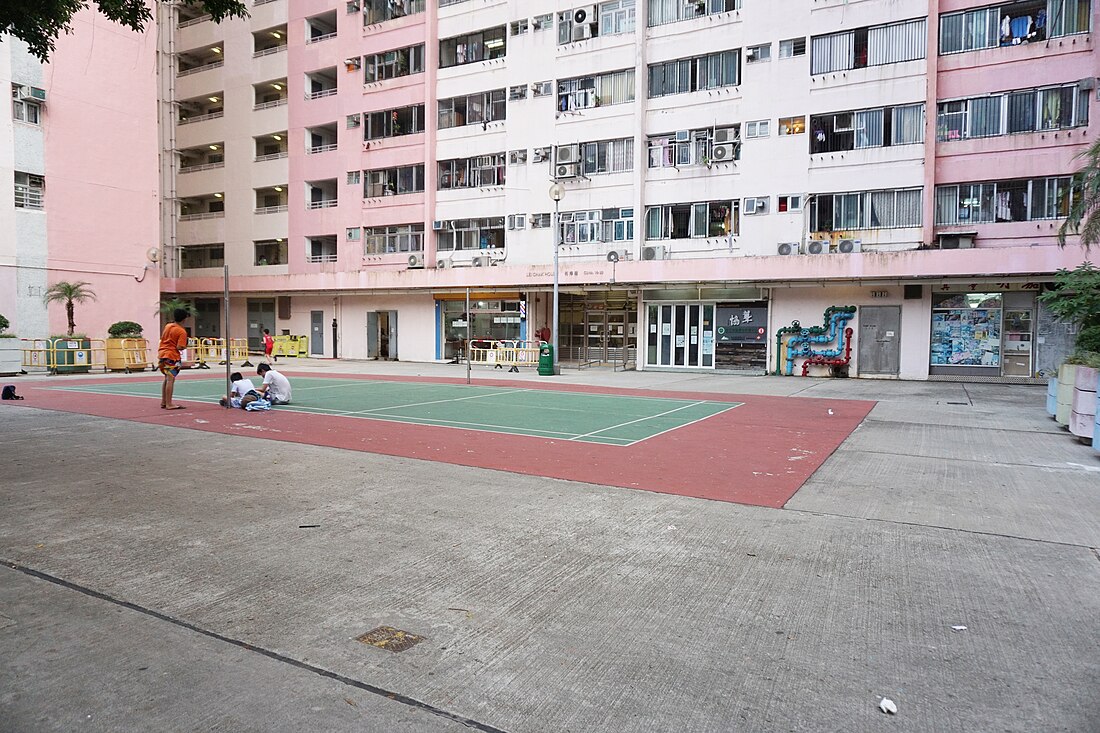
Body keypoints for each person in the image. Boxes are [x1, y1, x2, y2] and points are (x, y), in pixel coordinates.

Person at [158, 308, 190, 410]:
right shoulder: (181, 331)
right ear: (184, 319)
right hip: (172, 356)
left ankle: (164, 401)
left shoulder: (168, 326)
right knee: (171, 380)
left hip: (162, 354)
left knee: (167, 379)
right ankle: (169, 404)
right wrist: (185, 345)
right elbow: (180, 346)